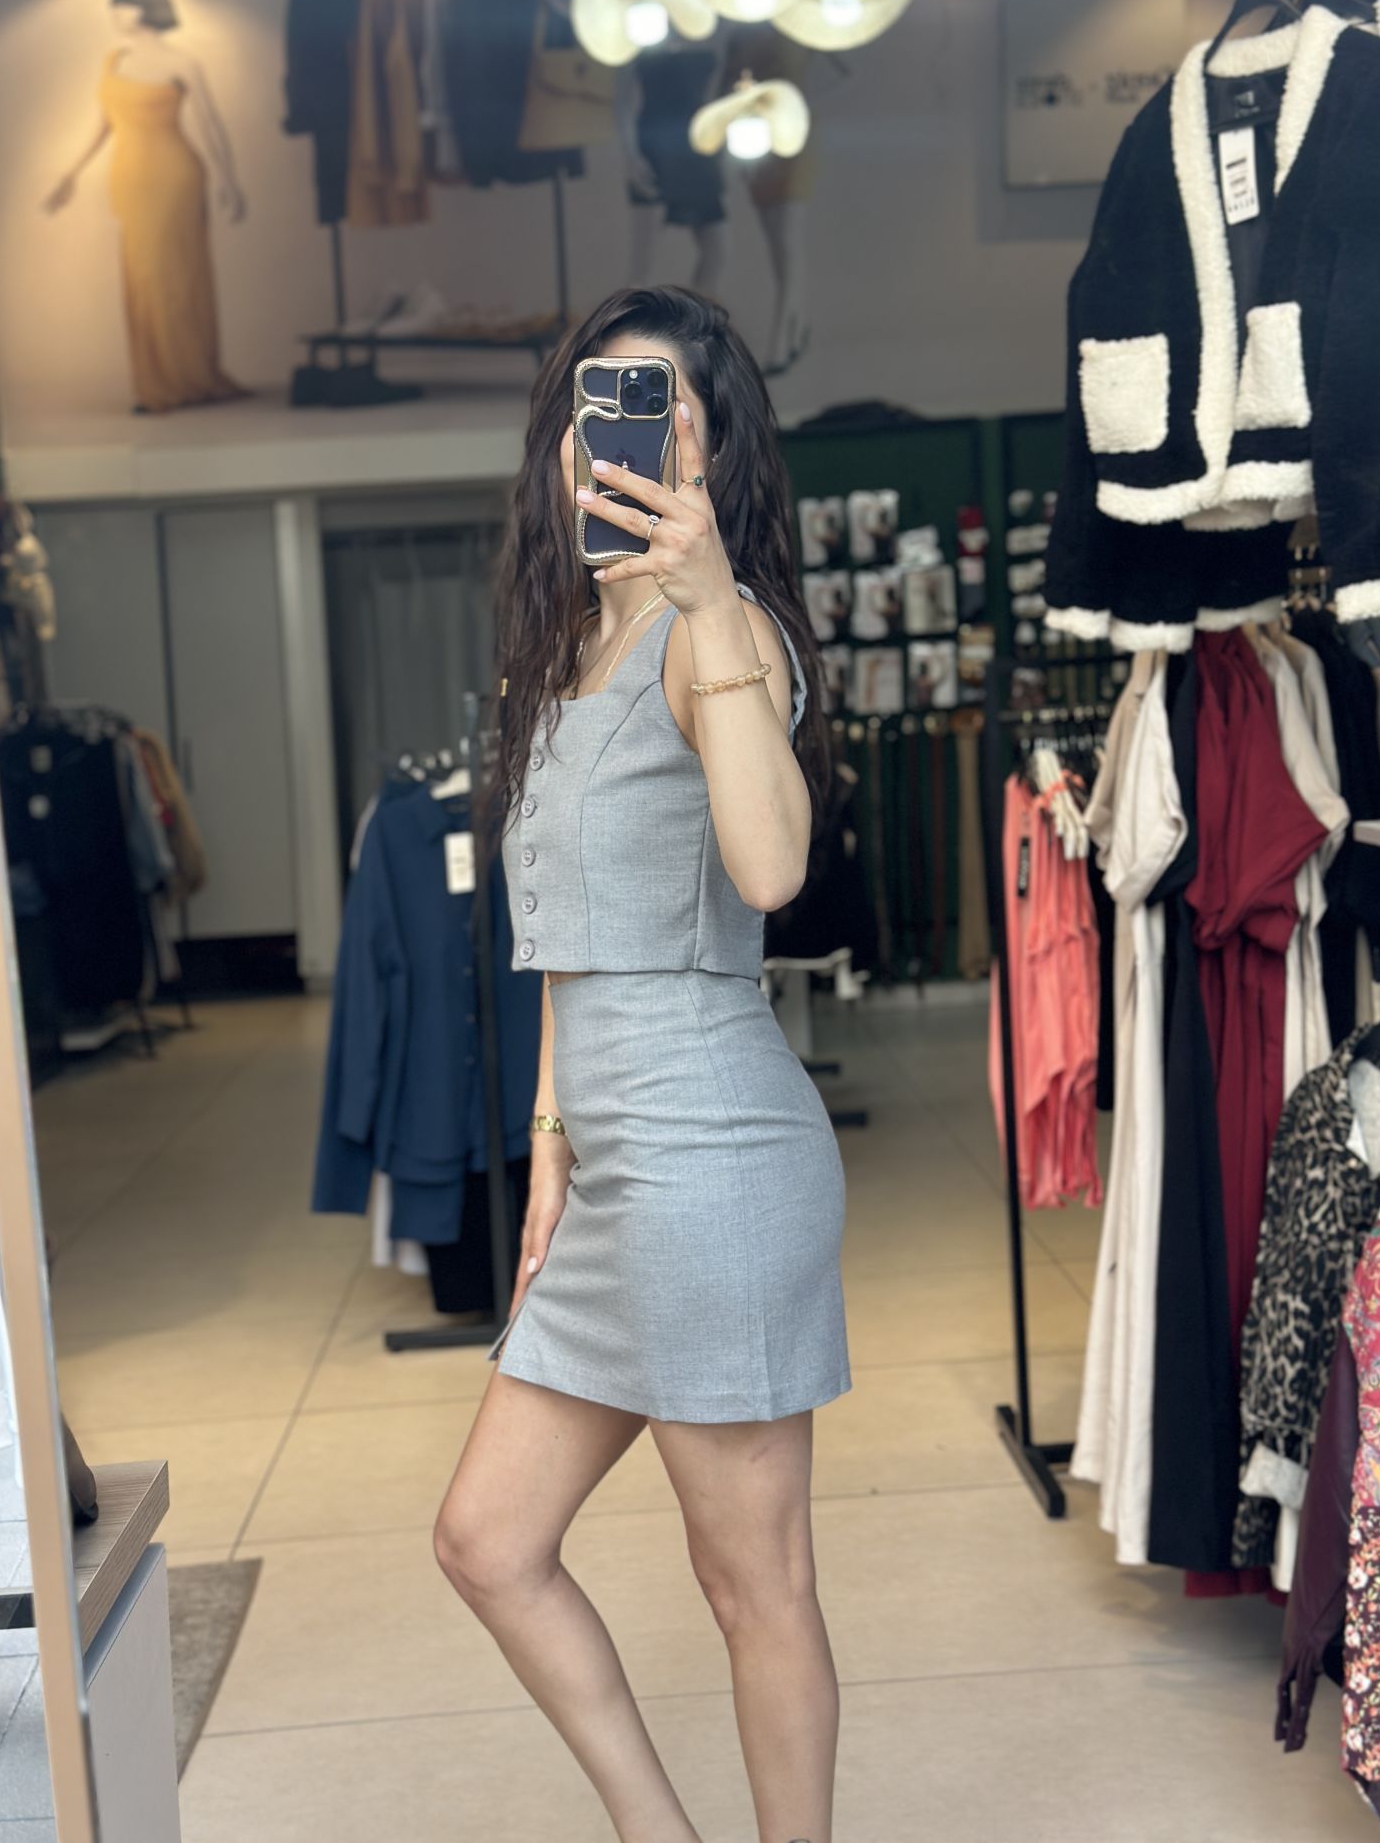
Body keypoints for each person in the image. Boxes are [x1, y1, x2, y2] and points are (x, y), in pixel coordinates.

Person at [434, 285, 851, 1843]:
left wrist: (714, 594)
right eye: (587, 406)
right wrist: (550, 1142)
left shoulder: (717, 637)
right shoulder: (566, 652)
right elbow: (567, 939)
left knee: (753, 1583)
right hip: (613, 1174)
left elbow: (769, 869)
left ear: (707, 447)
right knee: (486, 1539)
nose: (605, 436)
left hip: (714, 1161)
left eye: (652, 405)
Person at [43, 0, 247, 414]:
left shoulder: (182, 63)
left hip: (175, 176)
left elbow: (210, 124)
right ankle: (155, 382)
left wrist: (229, 181)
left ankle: (188, 377)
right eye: (115, 8)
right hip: (131, 179)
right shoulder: (114, 61)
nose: (116, 16)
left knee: (178, 279)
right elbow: (103, 123)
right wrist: (70, 174)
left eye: (123, 8)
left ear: (145, 11)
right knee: (142, 278)